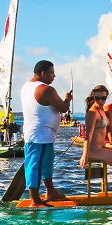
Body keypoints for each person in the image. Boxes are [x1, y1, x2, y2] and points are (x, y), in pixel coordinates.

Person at [21, 60, 73, 208]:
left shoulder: (26, 86)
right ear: (42, 73)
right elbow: (62, 108)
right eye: (52, 72)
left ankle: (50, 191)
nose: (54, 76)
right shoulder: (45, 89)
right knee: (35, 165)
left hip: (41, 135)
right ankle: (35, 201)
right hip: (39, 136)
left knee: (47, 163)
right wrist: (67, 100)